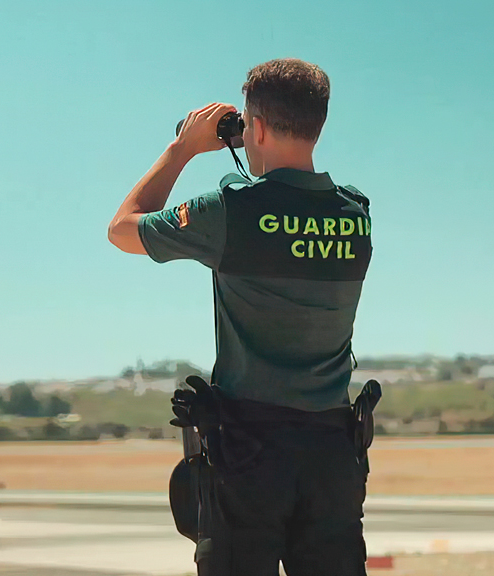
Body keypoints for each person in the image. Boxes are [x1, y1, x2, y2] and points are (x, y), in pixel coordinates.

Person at [108, 58, 375, 576]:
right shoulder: (356, 215)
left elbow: (123, 229)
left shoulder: (230, 210)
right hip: (332, 454)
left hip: (249, 455)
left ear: (257, 127)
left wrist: (183, 148)